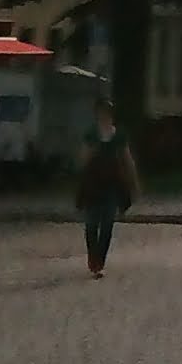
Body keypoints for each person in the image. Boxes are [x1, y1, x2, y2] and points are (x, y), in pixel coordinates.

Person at [75, 99, 142, 278]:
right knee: (91, 225)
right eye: (101, 112)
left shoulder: (119, 135)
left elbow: (127, 160)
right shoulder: (91, 134)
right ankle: (92, 258)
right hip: (93, 185)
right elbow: (82, 160)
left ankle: (99, 263)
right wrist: (89, 154)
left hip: (112, 186)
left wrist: (134, 184)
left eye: (107, 112)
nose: (104, 115)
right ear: (97, 114)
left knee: (107, 225)